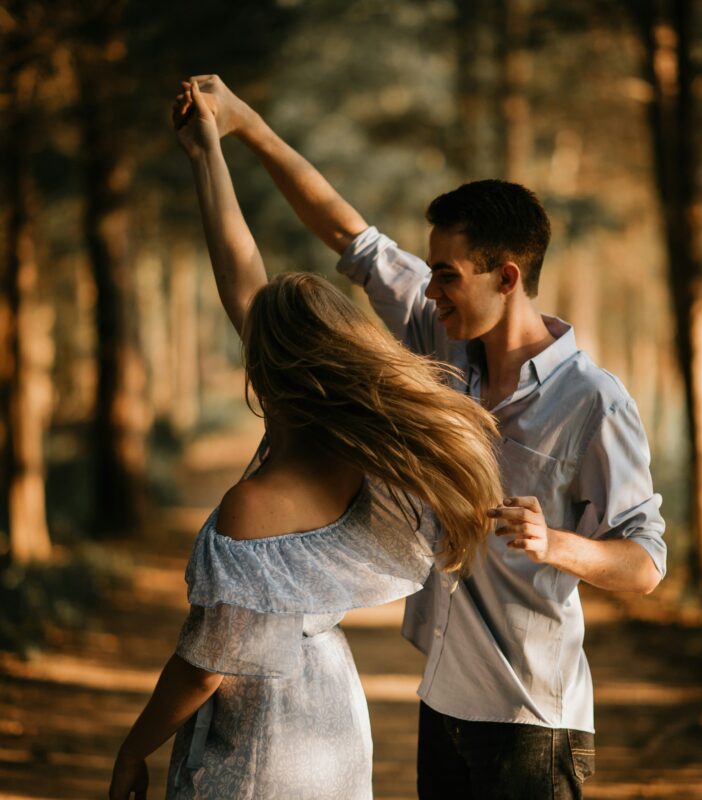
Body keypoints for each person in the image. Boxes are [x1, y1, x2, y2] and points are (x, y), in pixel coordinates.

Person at [180, 76, 668, 800]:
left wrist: (556, 544)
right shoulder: (440, 340)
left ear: (507, 277)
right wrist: (245, 129)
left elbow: (647, 562)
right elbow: (350, 234)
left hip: (531, 717)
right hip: (441, 701)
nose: (429, 292)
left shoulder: (593, 402)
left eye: (445, 276)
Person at [107, 83, 504, 800]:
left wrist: (133, 750)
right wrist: (208, 157)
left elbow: (207, 666)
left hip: (264, 741)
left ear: (266, 366)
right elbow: (242, 276)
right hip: (333, 715)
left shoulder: (253, 507)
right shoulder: (374, 468)